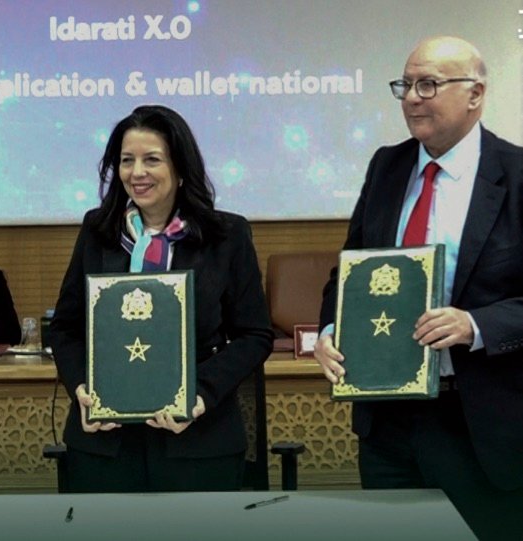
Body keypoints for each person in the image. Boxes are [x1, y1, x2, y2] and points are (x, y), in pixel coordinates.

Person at [314, 36, 523, 540]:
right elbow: (348, 273)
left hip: (478, 423)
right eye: (405, 85)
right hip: (388, 422)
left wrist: (475, 324)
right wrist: (329, 330)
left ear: (475, 93)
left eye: (428, 84)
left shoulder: (517, 174)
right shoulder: (387, 167)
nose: (411, 98)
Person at [48, 104, 274, 492]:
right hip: (106, 444)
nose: (137, 172)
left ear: (181, 168)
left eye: (151, 159)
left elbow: (255, 335)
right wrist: (83, 388)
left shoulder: (226, 235)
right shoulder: (98, 231)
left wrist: (199, 395)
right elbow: (66, 328)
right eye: (126, 161)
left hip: (199, 441)